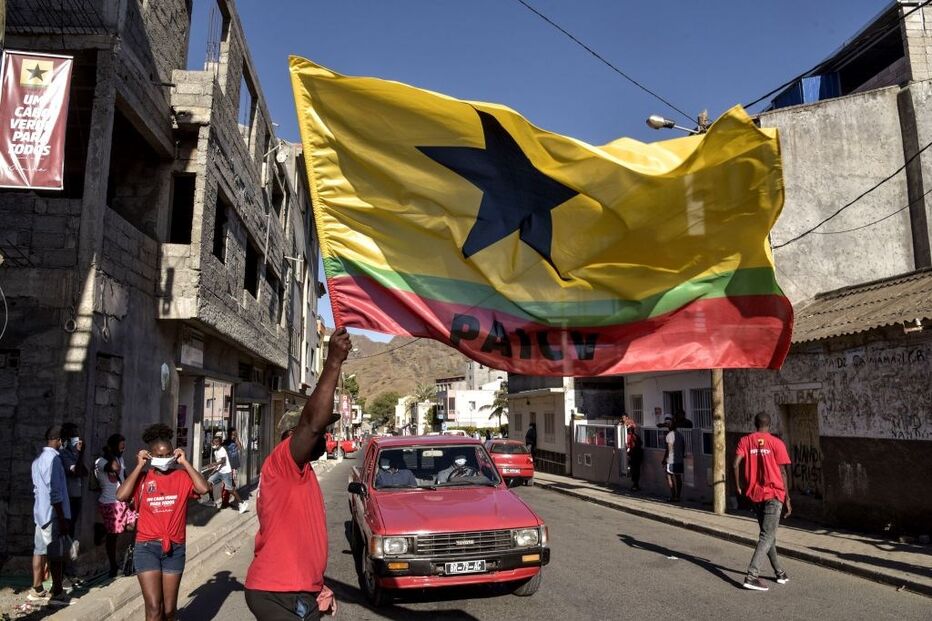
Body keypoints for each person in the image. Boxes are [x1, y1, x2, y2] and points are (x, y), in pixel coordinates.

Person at [245, 327, 352, 620]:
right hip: (276, 592)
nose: (325, 437)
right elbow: (312, 424)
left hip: (297, 589)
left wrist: (317, 587)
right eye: (321, 433)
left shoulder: (300, 472)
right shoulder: (282, 463)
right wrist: (333, 362)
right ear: (294, 436)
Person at [117, 424, 210, 621]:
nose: (164, 458)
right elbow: (121, 495)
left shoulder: (182, 477)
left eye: (168, 454)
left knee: (168, 611)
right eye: (159, 455)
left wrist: (185, 462)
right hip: (146, 547)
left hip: (174, 549)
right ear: (150, 455)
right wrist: (139, 466)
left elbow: (203, 489)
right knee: (153, 607)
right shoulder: (142, 478)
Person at [734, 413, 792, 592]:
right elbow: (782, 473)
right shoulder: (777, 443)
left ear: (754, 424)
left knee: (768, 536)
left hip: (755, 495)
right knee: (767, 536)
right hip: (773, 494)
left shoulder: (745, 441)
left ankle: (779, 572)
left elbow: (735, 464)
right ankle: (751, 576)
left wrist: (738, 486)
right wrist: (788, 498)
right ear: (770, 425)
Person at [30, 425, 71, 606]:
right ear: (59, 440)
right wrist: (61, 518)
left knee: (39, 551)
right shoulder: (54, 460)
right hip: (52, 514)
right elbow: (55, 492)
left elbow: (38, 488)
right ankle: (57, 591)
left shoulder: (37, 460)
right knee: (55, 554)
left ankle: (37, 588)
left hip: (40, 512)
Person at [95, 433, 137, 577]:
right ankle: (113, 566)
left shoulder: (119, 458)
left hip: (122, 501)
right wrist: (109, 453)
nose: (122, 450)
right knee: (113, 535)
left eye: (124, 448)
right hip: (110, 503)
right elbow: (115, 468)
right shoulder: (100, 462)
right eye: (120, 447)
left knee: (136, 525)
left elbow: (124, 476)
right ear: (112, 447)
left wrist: (130, 495)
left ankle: (131, 557)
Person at [58, 423, 87, 543]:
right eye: (74, 435)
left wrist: (79, 455)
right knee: (66, 527)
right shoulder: (63, 453)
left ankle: (66, 556)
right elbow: (75, 472)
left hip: (76, 496)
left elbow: (84, 472)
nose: (77, 438)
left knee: (72, 526)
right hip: (68, 497)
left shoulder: (73, 453)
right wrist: (81, 454)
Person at [206, 433, 248, 513]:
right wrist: (213, 472)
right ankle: (211, 500)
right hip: (219, 471)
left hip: (226, 473)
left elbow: (223, 460)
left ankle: (242, 503)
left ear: (220, 442)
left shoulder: (222, 450)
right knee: (208, 482)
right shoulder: (215, 452)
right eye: (214, 442)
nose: (215, 444)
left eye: (217, 442)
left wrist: (213, 464)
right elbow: (219, 464)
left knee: (230, 489)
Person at [662, 417, 685, 501]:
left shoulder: (669, 435)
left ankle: (673, 495)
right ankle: (678, 496)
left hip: (671, 460)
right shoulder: (680, 435)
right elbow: (683, 446)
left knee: (669, 477)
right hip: (679, 459)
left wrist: (665, 459)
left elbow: (669, 449)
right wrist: (681, 456)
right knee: (678, 477)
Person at [625, 424, 643, 492]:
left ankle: (635, 485)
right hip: (638, 455)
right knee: (637, 470)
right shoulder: (636, 436)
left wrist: (628, 453)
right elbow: (641, 443)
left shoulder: (630, 436)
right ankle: (636, 484)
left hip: (634, 455)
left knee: (634, 470)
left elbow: (629, 446)